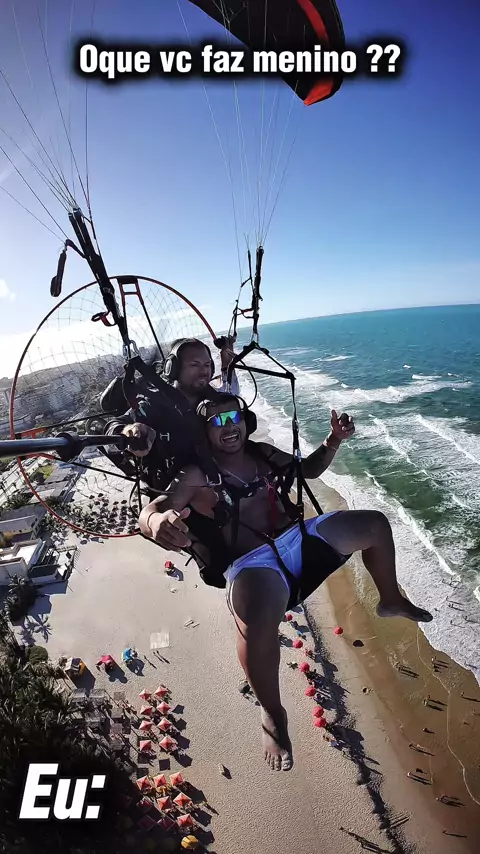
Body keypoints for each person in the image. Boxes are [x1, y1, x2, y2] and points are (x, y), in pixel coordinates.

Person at [139, 394, 433, 772]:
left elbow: (308, 470)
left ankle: (389, 599)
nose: (228, 426)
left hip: (298, 538)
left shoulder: (261, 453)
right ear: (205, 431)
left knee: (375, 524)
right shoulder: (198, 473)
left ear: (245, 421)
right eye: (216, 421)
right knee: (256, 624)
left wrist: (334, 439)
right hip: (253, 563)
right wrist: (155, 522)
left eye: (233, 417)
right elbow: (157, 506)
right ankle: (273, 713)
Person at [103, 336, 240, 498]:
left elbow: (230, 386)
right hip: (172, 493)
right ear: (172, 368)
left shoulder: (215, 400)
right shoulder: (154, 404)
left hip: (218, 486)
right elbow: (113, 427)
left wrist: (226, 356)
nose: (204, 371)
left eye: (207, 365)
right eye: (194, 365)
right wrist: (128, 431)